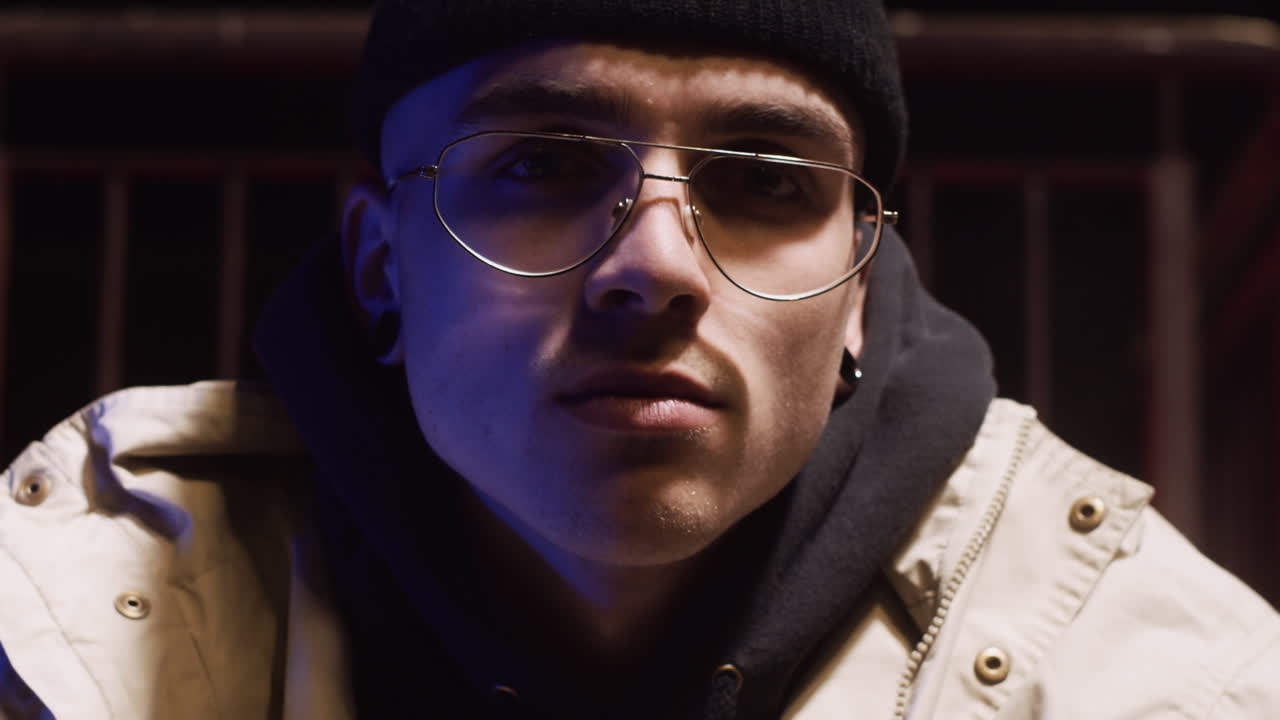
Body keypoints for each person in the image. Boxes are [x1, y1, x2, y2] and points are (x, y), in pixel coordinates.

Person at [2, 1, 1277, 718]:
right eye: (544, 166)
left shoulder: (1157, 677)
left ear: (855, 301)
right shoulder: (51, 627)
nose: (656, 265)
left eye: (767, 181)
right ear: (381, 266)